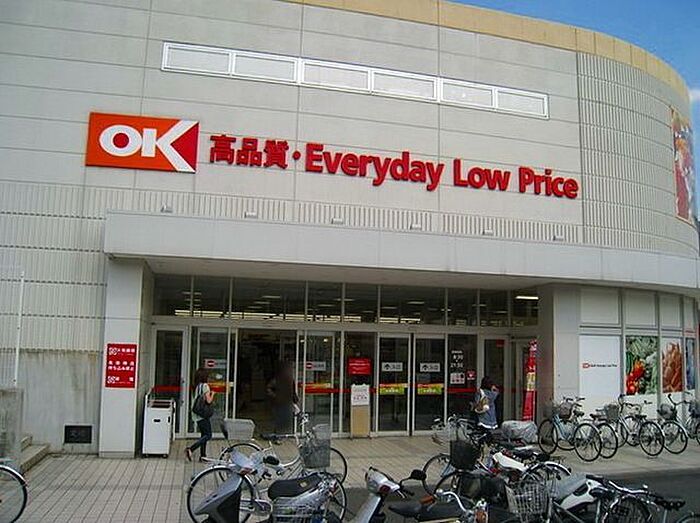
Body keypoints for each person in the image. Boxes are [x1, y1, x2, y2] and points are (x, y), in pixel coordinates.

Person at [185, 368, 215, 462]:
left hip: (196, 413)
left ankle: (203, 456)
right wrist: (213, 394)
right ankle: (191, 449)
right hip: (203, 414)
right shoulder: (205, 386)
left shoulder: (196, 386)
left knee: (203, 435)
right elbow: (208, 401)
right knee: (208, 435)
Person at [266, 361, 299, 435]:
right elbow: (269, 388)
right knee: (280, 419)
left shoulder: (290, 380)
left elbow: (292, 391)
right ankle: (278, 434)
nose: (289, 371)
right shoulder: (277, 380)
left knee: (286, 419)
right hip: (278, 403)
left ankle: (283, 433)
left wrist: (294, 399)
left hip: (286, 402)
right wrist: (275, 396)